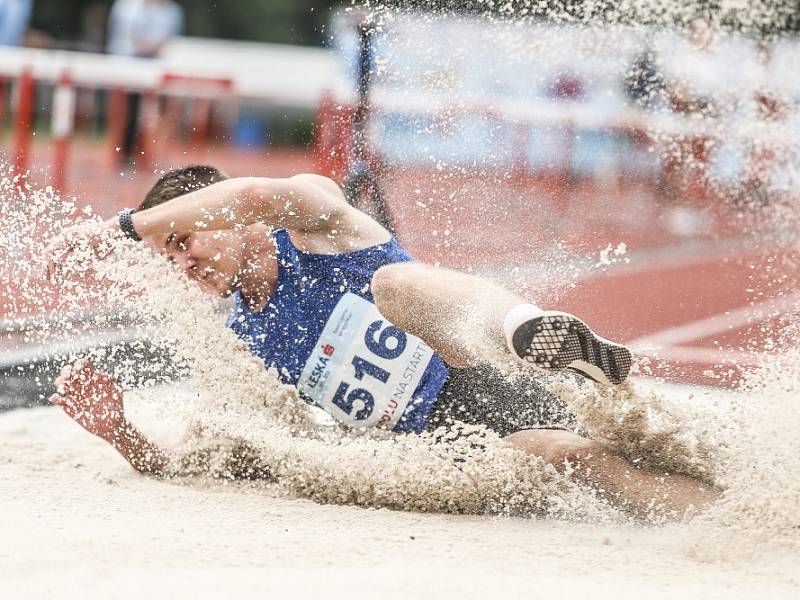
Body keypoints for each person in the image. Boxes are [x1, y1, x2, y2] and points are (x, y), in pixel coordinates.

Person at [46, 166, 718, 517]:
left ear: (226, 215)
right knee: (576, 455)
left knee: (396, 285)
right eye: (170, 260)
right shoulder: (239, 335)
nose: (183, 265)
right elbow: (198, 455)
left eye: (183, 243)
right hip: (447, 437)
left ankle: (530, 329)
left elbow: (255, 192)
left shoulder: (313, 224)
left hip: (481, 356)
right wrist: (120, 434)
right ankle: (728, 515)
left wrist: (123, 228)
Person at [107, 0, 184, 165]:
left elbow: (171, 41)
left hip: (158, 67)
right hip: (128, 65)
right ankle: (127, 154)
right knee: (131, 112)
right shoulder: (127, 6)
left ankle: (155, 153)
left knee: (162, 111)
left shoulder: (172, 11)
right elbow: (131, 38)